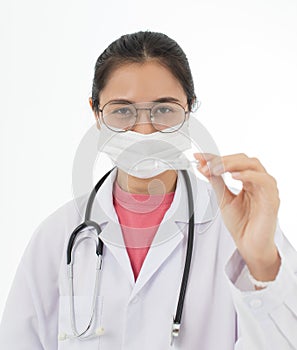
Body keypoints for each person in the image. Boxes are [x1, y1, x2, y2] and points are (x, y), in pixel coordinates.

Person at [1, 31, 297, 350]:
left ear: (190, 109)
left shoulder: (239, 229)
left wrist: (262, 262)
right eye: (122, 110)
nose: (144, 130)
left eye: (164, 110)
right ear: (96, 114)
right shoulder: (57, 235)